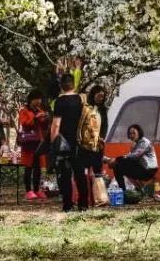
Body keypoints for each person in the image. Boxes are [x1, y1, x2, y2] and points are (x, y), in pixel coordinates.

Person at [50, 73, 89, 212]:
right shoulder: (81, 99)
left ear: (61, 85)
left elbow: (56, 124)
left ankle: (68, 205)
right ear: (74, 85)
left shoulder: (59, 102)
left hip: (64, 143)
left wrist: (53, 142)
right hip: (80, 141)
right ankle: (83, 204)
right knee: (80, 174)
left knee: (65, 175)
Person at [18, 89, 50, 200]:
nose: (39, 101)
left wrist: (46, 119)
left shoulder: (40, 110)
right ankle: (28, 191)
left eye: (40, 99)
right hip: (28, 142)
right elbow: (24, 123)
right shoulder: (24, 110)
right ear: (31, 99)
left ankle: (37, 189)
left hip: (38, 141)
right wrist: (35, 118)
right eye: (37, 99)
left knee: (38, 167)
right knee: (28, 166)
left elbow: (44, 126)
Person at [107, 124, 158, 192]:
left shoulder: (144, 142)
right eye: (130, 134)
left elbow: (135, 156)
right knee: (117, 166)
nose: (132, 135)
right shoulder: (137, 143)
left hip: (149, 170)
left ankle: (135, 188)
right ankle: (123, 191)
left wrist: (117, 159)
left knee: (119, 163)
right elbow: (130, 156)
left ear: (139, 132)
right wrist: (115, 161)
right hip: (142, 167)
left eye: (134, 133)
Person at [82, 85, 109, 176]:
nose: (101, 98)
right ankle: (86, 181)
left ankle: (97, 181)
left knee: (97, 166)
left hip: (98, 142)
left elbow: (105, 125)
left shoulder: (103, 109)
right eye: (99, 96)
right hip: (86, 142)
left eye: (102, 96)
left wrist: (102, 137)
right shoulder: (86, 108)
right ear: (93, 94)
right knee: (85, 166)